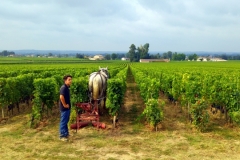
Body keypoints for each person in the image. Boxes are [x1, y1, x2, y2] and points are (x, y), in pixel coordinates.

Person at [59, 75, 72, 141]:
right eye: (69, 79)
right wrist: (64, 105)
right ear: (65, 80)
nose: (70, 81)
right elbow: (61, 97)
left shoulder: (67, 87)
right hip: (64, 108)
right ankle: (62, 136)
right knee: (63, 122)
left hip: (67, 108)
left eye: (71, 79)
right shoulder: (63, 88)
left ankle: (66, 133)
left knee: (66, 121)